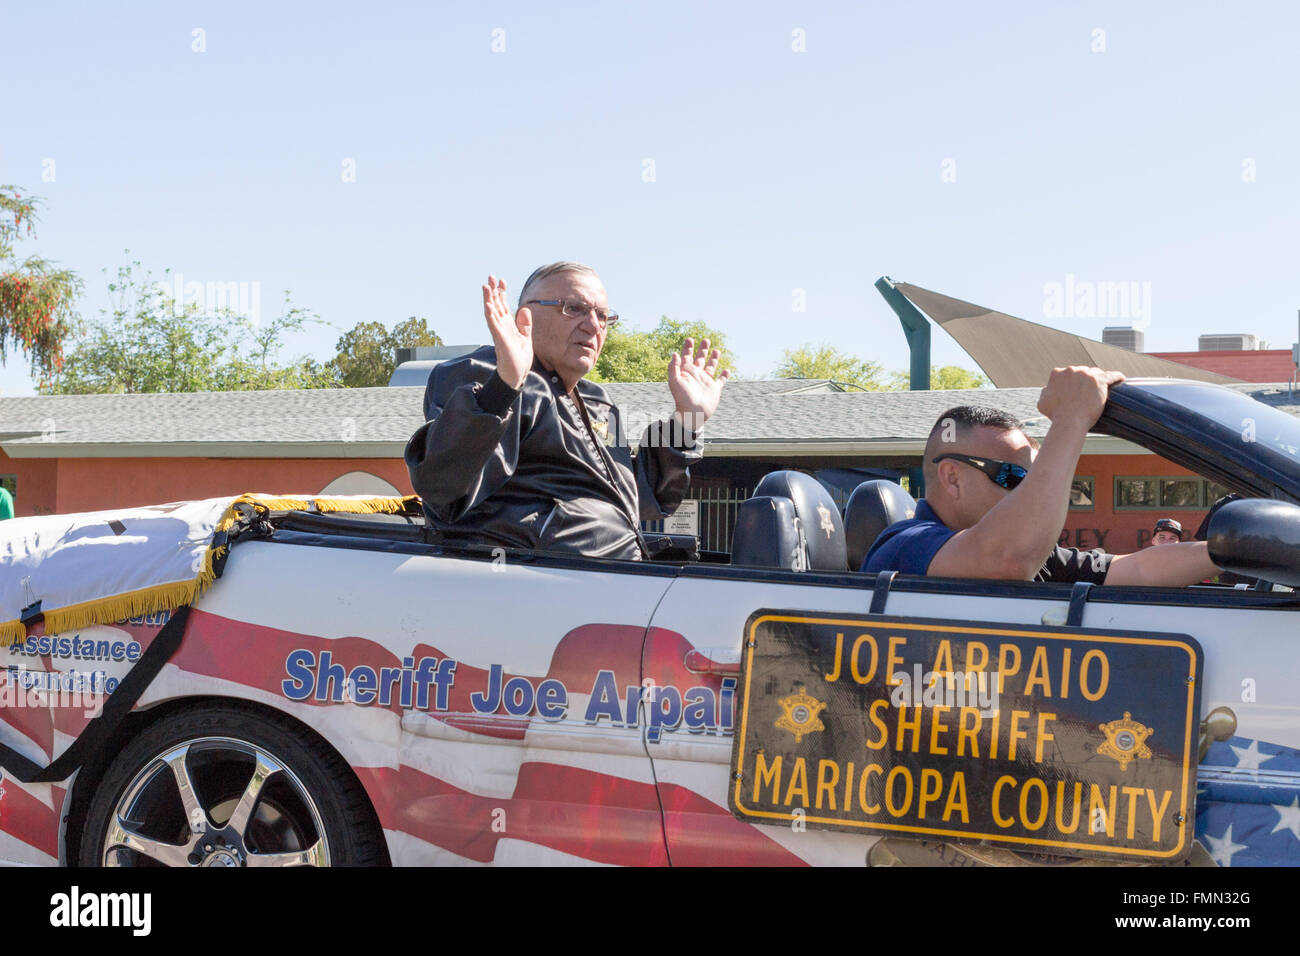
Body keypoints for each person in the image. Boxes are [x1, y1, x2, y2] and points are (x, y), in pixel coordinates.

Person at [404, 262, 729, 560]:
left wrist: (687, 421)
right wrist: (504, 385)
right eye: (574, 308)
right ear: (523, 317)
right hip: (536, 591)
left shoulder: (597, 403)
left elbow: (641, 496)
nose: (593, 326)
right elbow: (442, 486)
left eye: (603, 316)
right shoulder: (485, 374)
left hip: (618, 585)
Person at [863, 365, 1222, 585]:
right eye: (1015, 477)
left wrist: (1236, 551)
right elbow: (1009, 559)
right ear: (952, 478)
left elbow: (1137, 570)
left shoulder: (1028, 554)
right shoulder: (905, 546)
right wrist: (1070, 419)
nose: (1031, 493)